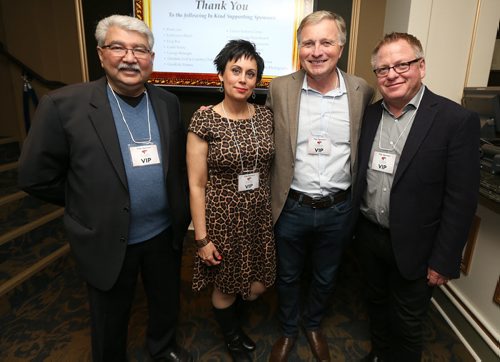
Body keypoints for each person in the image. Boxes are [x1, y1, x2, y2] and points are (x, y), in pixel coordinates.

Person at [17, 14, 192, 362]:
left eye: (140, 50)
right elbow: (34, 176)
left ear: (152, 59)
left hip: (162, 233)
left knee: (165, 299)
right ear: (100, 54)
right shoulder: (64, 105)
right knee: (109, 314)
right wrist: (85, 201)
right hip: (107, 234)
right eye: (118, 47)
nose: (130, 57)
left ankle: (162, 347)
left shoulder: (167, 103)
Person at [353, 32, 480, 362]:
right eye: (383, 69)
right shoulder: (368, 116)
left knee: (408, 324)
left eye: (402, 64)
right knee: (376, 307)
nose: (392, 74)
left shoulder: (455, 120)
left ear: (421, 67)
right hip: (369, 236)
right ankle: (379, 354)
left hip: (418, 247)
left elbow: (461, 199)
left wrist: (444, 259)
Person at [266, 11, 374, 362]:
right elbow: (265, 138)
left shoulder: (362, 91)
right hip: (291, 205)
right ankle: (286, 330)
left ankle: (312, 324)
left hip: (339, 208)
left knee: (327, 276)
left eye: (326, 42)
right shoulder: (280, 88)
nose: (316, 51)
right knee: (287, 275)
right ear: (299, 49)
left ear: (340, 47)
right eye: (308, 43)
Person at [187, 39, 275, 361]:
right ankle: (232, 337)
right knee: (225, 285)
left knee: (256, 283)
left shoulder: (265, 117)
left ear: (256, 82)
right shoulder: (205, 120)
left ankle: (236, 327)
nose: (242, 78)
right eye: (235, 70)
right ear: (221, 76)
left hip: (258, 216)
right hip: (222, 217)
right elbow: (196, 184)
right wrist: (201, 238)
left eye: (250, 74)